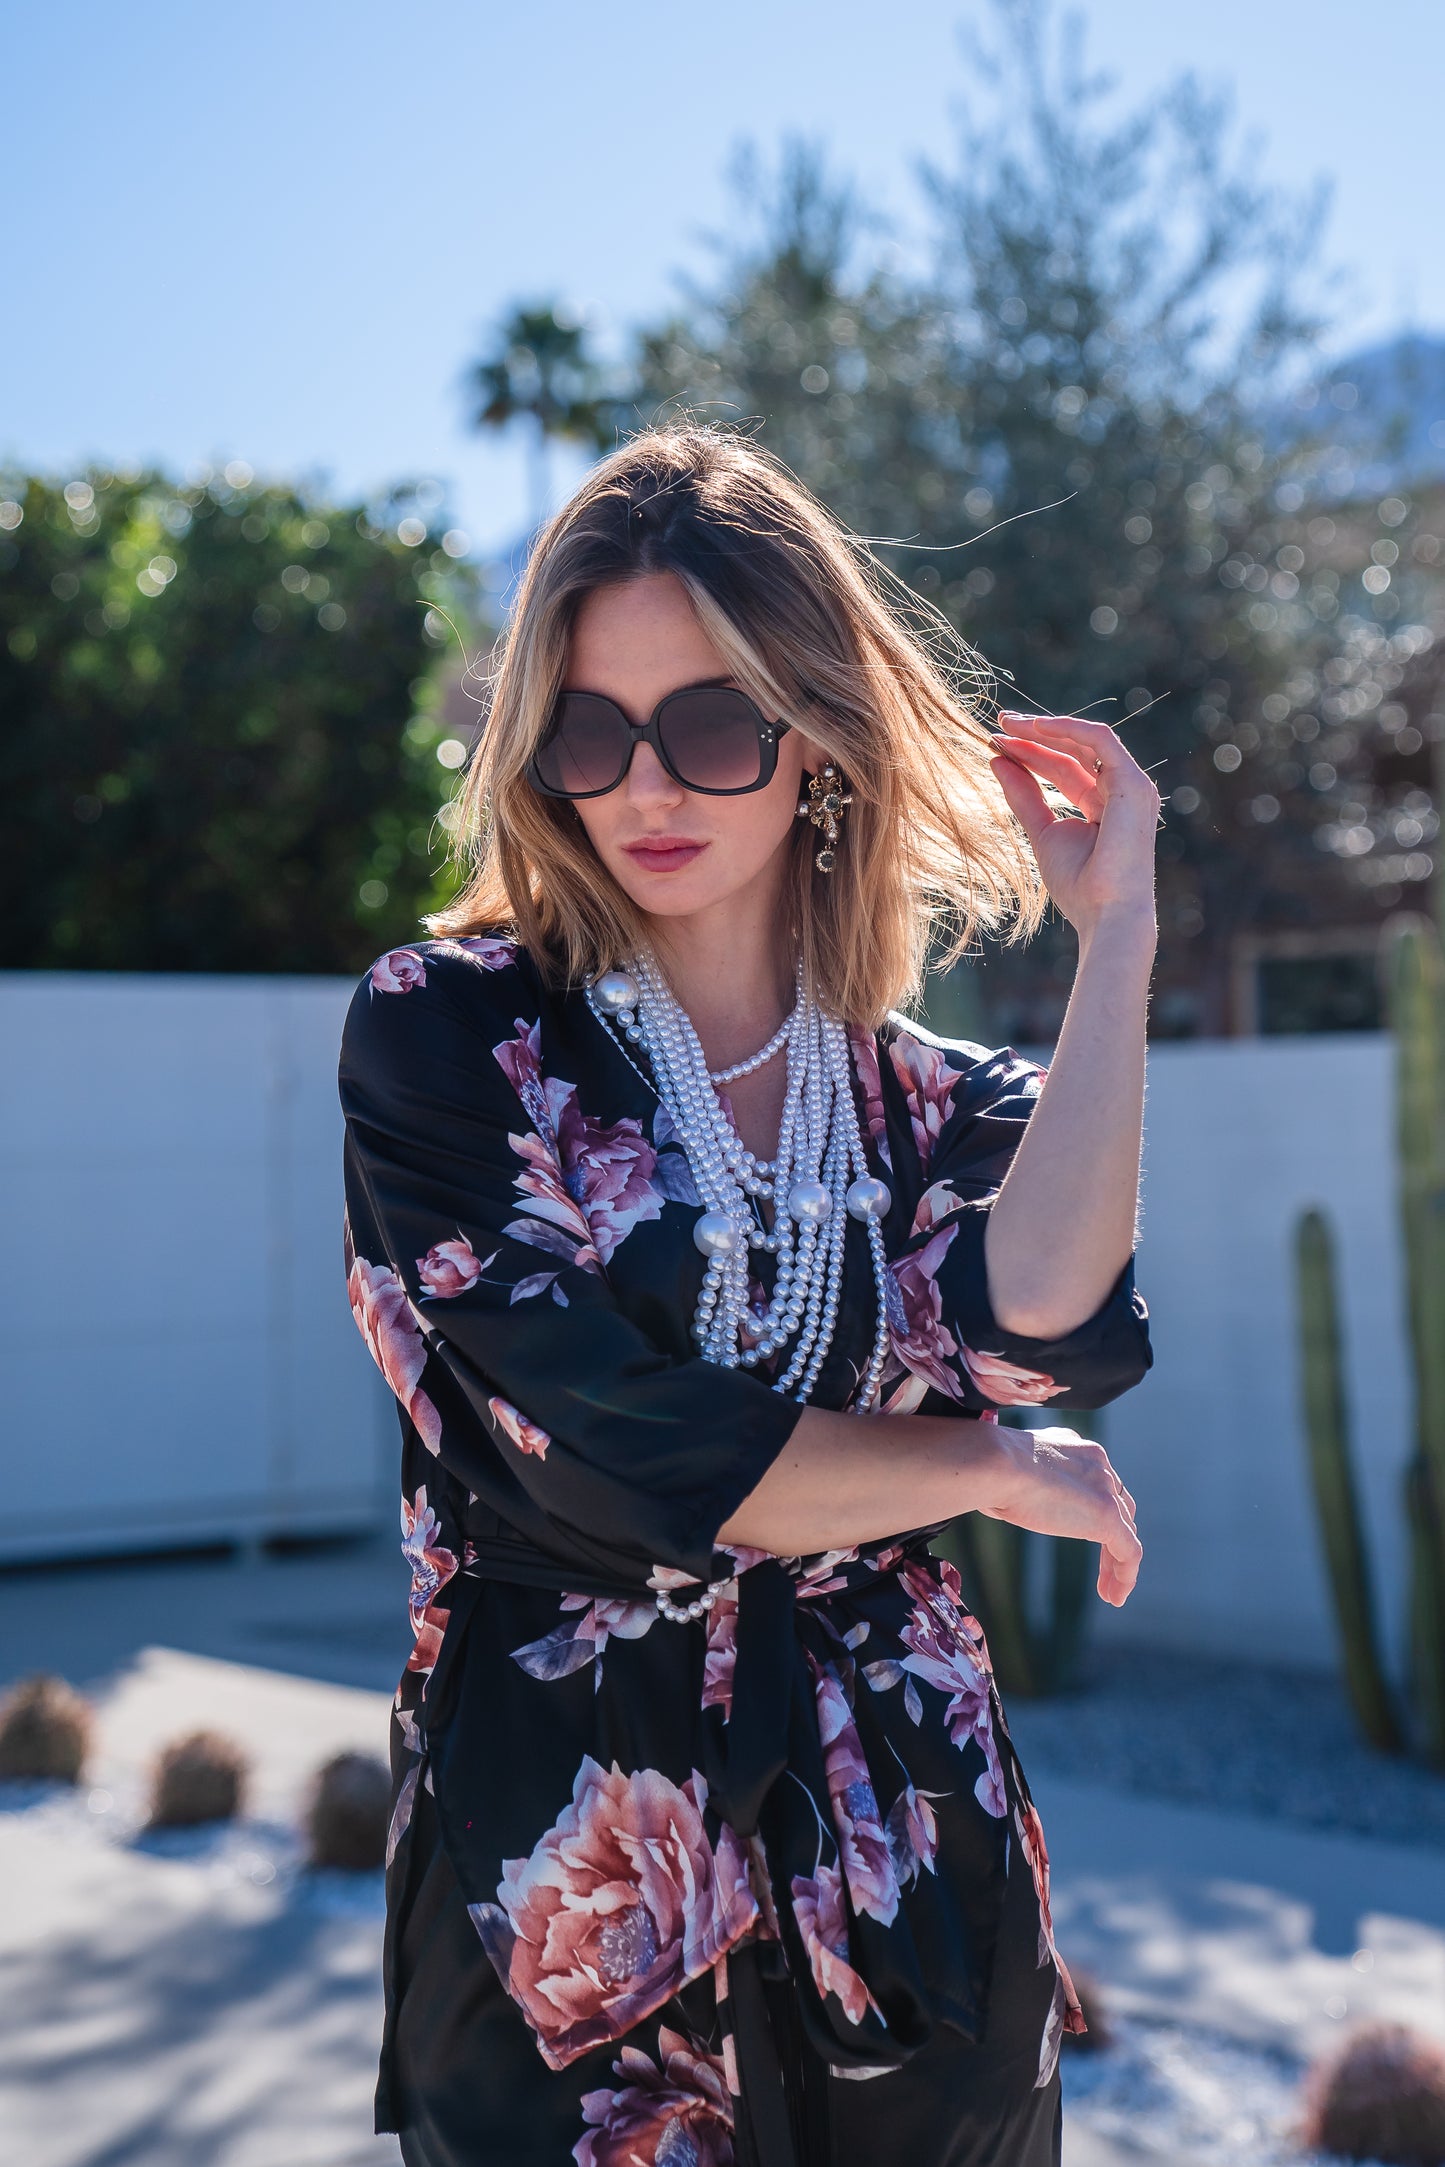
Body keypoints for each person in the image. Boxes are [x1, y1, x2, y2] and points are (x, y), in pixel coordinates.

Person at [337, 422, 1157, 2167]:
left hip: (907, 1873)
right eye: (587, 729)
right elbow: (623, 1457)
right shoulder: (445, 1040)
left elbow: (1040, 1329)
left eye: (711, 728)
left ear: (812, 743)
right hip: (563, 1895)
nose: (645, 787)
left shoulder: (931, 1106)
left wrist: (1119, 949)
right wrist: (983, 1475)